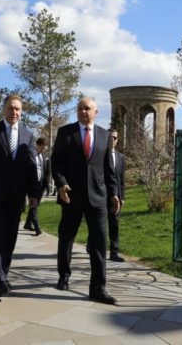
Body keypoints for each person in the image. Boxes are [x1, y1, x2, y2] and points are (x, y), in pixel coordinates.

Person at [51, 97, 119, 305]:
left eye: (87, 108)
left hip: (98, 198)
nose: (83, 111)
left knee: (99, 243)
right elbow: (56, 163)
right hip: (71, 196)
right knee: (66, 239)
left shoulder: (104, 135)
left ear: (95, 112)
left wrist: (114, 193)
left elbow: (108, 168)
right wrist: (61, 184)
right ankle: (64, 275)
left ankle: (98, 288)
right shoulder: (65, 133)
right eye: (80, 108)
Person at [0, 94, 39, 297]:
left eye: (18, 109)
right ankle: (0, 278)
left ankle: (5, 272)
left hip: (17, 196)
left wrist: (34, 193)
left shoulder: (28, 136)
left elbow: (31, 167)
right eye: (11, 108)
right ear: (4, 109)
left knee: (11, 236)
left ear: (21, 112)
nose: (14, 112)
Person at [23, 137, 50, 236]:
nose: (43, 150)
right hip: (31, 185)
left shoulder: (44, 156)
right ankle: (37, 228)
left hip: (41, 185)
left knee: (35, 205)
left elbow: (46, 171)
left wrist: (47, 186)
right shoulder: (29, 154)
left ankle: (27, 224)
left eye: (45, 148)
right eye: (42, 148)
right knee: (33, 206)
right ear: (37, 145)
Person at [106, 128, 126, 262]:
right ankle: (92, 245)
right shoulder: (100, 154)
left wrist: (122, 197)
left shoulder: (120, 157)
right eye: (110, 137)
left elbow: (121, 179)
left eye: (115, 138)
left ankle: (114, 252)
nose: (112, 140)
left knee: (114, 224)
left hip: (117, 198)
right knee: (98, 223)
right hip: (102, 195)